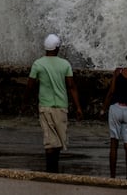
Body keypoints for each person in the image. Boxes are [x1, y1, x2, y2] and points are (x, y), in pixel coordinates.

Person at [24, 33, 83, 173]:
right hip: (61, 107)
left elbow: (30, 86)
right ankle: (53, 171)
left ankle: (51, 172)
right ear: (57, 48)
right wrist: (78, 107)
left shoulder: (38, 64)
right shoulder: (65, 64)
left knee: (50, 141)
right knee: (58, 142)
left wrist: (24, 102)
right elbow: (71, 86)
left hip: (45, 106)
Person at [100, 51, 127, 179]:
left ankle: (112, 177)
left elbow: (111, 92)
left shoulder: (118, 72)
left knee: (114, 144)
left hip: (115, 108)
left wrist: (103, 109)